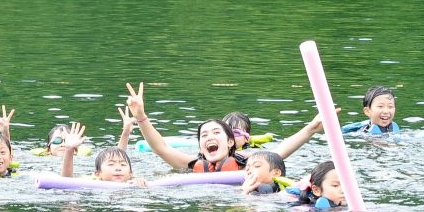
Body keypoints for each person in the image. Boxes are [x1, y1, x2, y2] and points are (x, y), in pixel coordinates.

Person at [125, 82, 327, 172]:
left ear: (230, 141)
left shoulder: (246, 162)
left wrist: (310, 128)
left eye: (216, 132)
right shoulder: (193, 164)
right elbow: (160, 148)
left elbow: (279, 152)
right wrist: (141, 117)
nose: (209, 137)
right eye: (204, 135)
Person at [60, 122, 147, 186]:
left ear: (131, 173)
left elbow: (119, 154)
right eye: (111, 164)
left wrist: (140, 183)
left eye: (123, 165)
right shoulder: (92, 183)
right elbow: (67, 182)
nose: (118, 168)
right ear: (98, 174)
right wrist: (69, 150)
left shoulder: (134, 182)